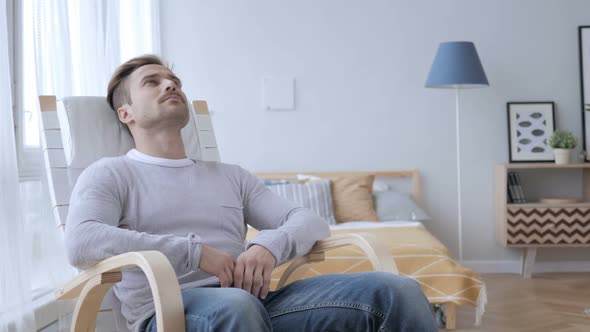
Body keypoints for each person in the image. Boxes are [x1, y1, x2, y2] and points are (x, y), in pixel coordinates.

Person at [65, 54, 438, 332]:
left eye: (174, 79)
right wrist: (194, 252)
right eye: (152, 81)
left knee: (397, 290)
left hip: (255, 304)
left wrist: (268, 246)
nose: (171, 84)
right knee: (237, 307)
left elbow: (309, 221)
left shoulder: (230, 176)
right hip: (170, 312)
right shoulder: (111, 173)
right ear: (125, 113)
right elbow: (81, 241)